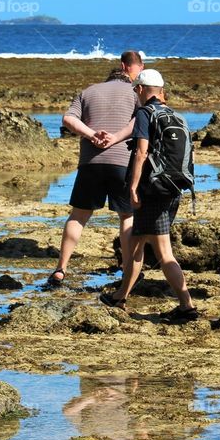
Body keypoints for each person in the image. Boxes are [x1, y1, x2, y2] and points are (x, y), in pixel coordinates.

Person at [99, 69, 197, 322]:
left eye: (136, 90)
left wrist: (132, 187)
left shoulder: (145, 113)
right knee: (135, 243)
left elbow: (141, 152)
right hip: (174, 188)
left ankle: (187, 306)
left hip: (152, 191)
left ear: (141, 89)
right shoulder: (177, 116)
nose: (135, 94)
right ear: (161, 91)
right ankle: (120, 295)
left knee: (164, 252)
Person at [46, 50, 144, 288]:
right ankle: (128, 270)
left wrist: (91, 135)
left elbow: (68, 119)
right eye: (138, 70)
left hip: (90, 163)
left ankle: (61, 269)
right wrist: (115, 138)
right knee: (127, 217)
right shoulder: (135, 93)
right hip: (123, 163)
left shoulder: (88, 91)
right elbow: (140, 121)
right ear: (127, 68)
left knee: (78, 216)